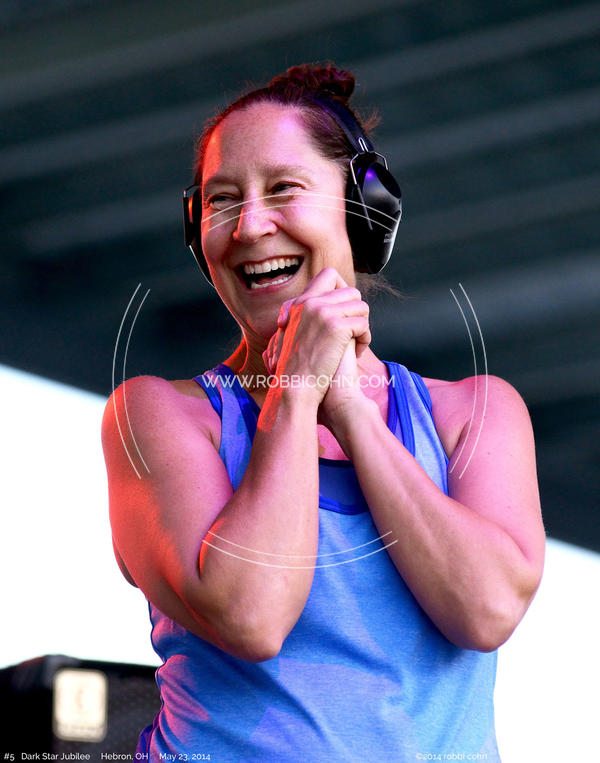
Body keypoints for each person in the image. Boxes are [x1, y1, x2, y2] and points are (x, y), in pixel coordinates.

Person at [102, 63, 545, 761]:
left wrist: (353, 413)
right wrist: (296, 389)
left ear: (363, 208)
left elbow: (485, 610)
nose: (250, 226)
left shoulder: (475, 412)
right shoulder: (158, 415)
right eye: (222, 200)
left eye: (283, 188)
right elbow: (250, 613)